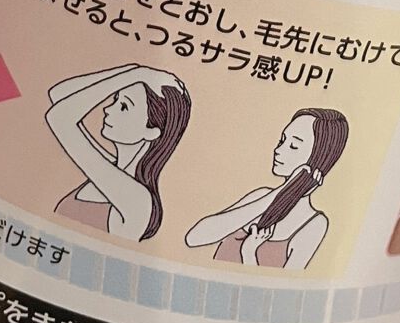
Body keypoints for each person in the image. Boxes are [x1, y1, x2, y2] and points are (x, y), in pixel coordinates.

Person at [185, 107, 348, 270]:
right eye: (282, 141)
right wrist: (283, 191)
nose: (278, 150)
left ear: (320, 157)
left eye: (293, 146)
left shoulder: (314, 224)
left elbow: (284, 283)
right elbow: (194, 238)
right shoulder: (261, 197)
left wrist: (249, 253)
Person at [45, 62, 190, 240]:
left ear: (151, 131)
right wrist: (132, 70)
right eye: (115, 99)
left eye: (123, 106)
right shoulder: (109, 168)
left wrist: (137, 74)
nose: (107, 109)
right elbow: (58, 95)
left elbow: (59, 117)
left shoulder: (138, 199)